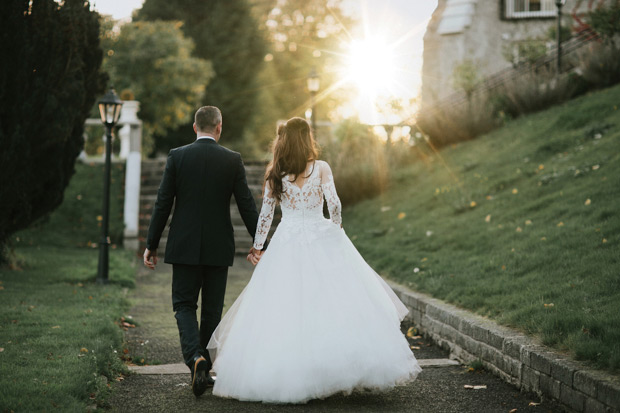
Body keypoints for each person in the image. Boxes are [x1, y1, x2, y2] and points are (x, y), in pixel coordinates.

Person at [207, 117, 422, 404]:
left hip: (288, 239)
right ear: (307, 138)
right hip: (321, 234)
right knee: (332, 302)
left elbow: (267, 214)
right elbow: (334, 203)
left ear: (283, 140)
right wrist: (336, 229)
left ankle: (290, 372)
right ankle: (334, 368)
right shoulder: (321, 168)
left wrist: (258, 247)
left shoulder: (276, 173)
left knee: (286, 305)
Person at [143, 106, 262, 397]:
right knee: (211, 311)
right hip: (219, 246)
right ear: (219, 128)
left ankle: (194, 359)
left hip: (183, 244)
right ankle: (204, 369)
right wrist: (261, 242)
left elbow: (163, 203)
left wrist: (151, 243)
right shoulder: (232, 160)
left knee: (183, 305)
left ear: (195, 128)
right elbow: (246, 204)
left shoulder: (178, 156)